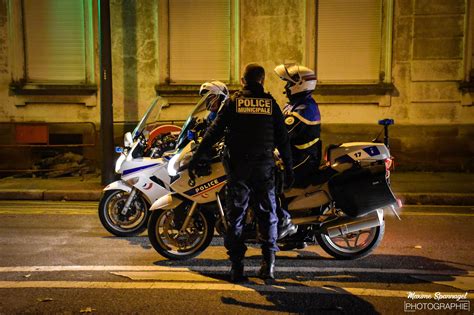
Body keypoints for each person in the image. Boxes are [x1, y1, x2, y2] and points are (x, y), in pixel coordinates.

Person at [189, 63, 293, 282]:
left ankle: (237, 268)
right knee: (268, 215)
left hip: (239, 170)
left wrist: (196, 158)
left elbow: (213, 133)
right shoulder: (270, 104)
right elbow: (283, 140)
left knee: (235, 217)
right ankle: (269, 266)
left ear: (244, 80)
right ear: (262, 81)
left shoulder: (234, 103)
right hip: (264, 169)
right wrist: (289, 169)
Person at [274, 63, 321, 188]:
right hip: (293, 155)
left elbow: (281, 135)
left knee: (269, 180)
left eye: (289, 84)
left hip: (303, 159)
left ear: (300, 84)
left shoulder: (304, 108)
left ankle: (278, 207)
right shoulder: (294, 104)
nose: (286, 87)